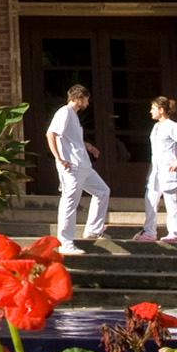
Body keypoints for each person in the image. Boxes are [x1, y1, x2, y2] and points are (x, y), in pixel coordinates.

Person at [46, 84, 109, 255]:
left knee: (103, 191)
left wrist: (89, 147)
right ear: (79, 98)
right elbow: (51, 134)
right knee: (69, 202)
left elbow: (72, 140)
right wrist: (59, 158)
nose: (88, 102)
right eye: (87, 98)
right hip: (71, 167)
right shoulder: (64, 112)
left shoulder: (73, 115)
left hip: (84, 165)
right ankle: (65, 243)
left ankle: (93, 230)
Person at [136, 96, 177, 244]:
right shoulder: (156, 127)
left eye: (153, 108)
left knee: (171, 200)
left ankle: (174, 232)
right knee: (150, 198)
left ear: (161, 110)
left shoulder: (172, 126)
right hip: (156, 168)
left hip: (168, 167)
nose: (151, 111)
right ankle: (150, 231)